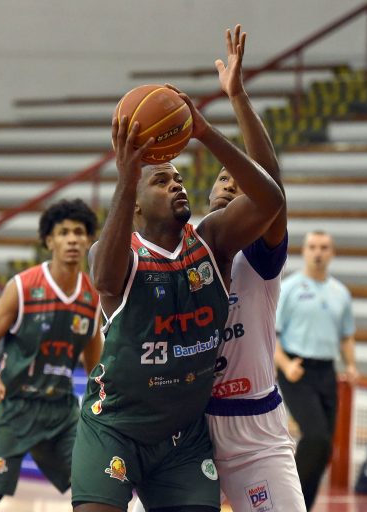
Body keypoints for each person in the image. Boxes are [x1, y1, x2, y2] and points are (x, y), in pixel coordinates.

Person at [71, 77, 285, 510]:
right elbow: (107, 281)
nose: (176, 184)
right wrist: (126, 178)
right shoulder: (114, 252)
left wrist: (205, 132)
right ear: (134, 203)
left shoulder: (212, 241)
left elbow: (270, 200)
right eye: (161, 180)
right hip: (115, 427)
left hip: (183, 439)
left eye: (179, 178)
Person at [203, 26, 306, 512]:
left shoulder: (258, 256)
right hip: (190, 425)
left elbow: (271, 190)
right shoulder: (185, 245)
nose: (230, 185)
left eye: (240, 185)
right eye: (223, 178)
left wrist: (238, 98)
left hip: (255, 427)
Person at [0, 198, 103, 512]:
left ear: (89, 240)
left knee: (96, 489)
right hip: (14, 408)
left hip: (61, 413)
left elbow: (95, 368)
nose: (72, 239)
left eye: (79, 232)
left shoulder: (93, 297)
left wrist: (104, 402)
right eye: (63, 233)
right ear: (49, 241)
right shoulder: (22, 286)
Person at [274, 230, 358, 511]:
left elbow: (346, 336)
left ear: (332, 253)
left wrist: (351, 365)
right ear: (304, 251)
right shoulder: (289, 288)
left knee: (324, 448)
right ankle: (287, 500)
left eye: (323, 247)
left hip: (327, 370)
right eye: (312, 247)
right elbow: (270, 333)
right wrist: (285, 363)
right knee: (315, 436)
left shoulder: (340, 293)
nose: (318, 252)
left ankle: (302, 506)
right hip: (297, 369)